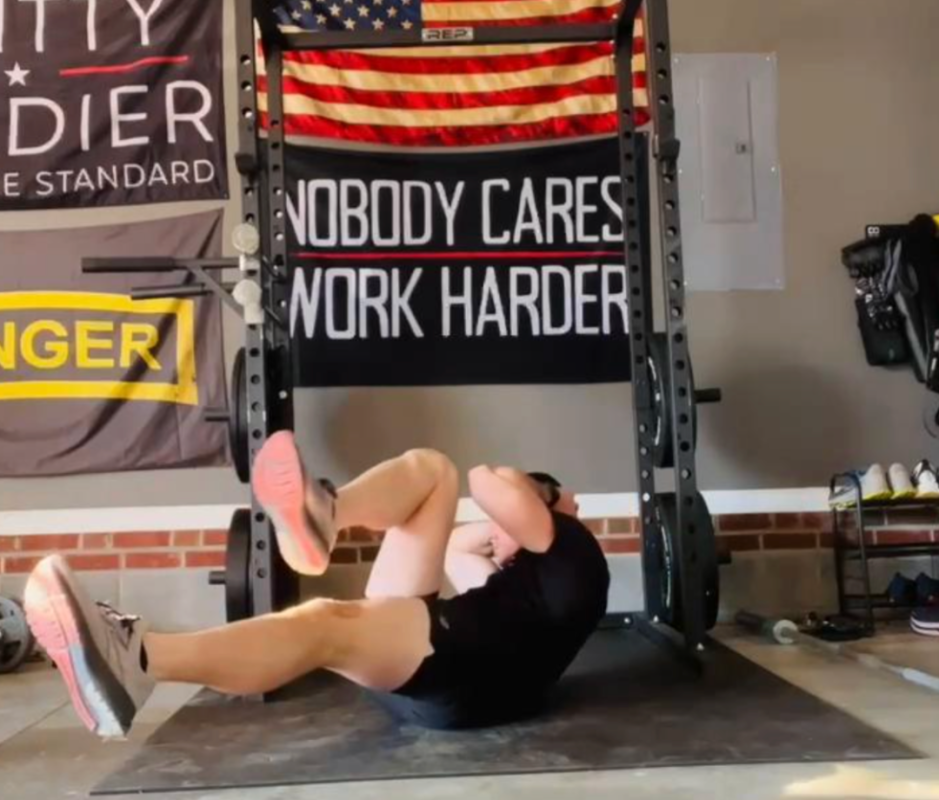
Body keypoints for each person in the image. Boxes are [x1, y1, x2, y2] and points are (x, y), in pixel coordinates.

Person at [24, 432, 610, 737]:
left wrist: (549, 496)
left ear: (545, 511)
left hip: (462, 675)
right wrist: (504, 532)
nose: (495, 536)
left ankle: (140, 659)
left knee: (326, 621)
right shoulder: (534, 587)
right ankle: (327, 514)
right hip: (449, 673)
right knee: (434, 469)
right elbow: (458, 545)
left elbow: (488, 481)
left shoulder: (573, 548)